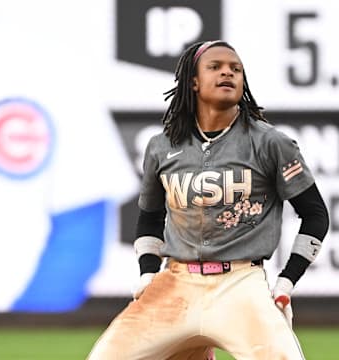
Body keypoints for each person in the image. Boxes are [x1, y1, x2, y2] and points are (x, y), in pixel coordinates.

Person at [86, 40, 329, 360]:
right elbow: (149, 217)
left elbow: (315, 215)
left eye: (236, 68)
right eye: (215, 66)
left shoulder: (270, 142)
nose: (228, 71)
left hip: (240, 284)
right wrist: (148, 272)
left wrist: (286, 283)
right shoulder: (161, 146)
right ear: (193, 81)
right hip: (175, 283)